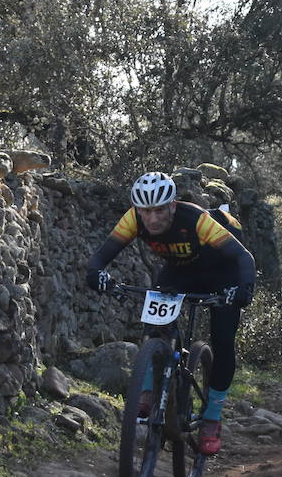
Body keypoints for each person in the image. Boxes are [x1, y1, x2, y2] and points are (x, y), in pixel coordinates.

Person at [86, 171, 255, 455]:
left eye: (160, 210)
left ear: (173, 205)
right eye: (145, 211)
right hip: (182, 270)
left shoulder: (196, 220)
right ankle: (150, 390)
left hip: (223, 272)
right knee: (156, 323)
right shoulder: (133, 220)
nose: (152, 219)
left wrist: (243, 291)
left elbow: (243, 257)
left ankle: (212, 417)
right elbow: (101, 257)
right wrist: (96, 275)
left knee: (223, 339)